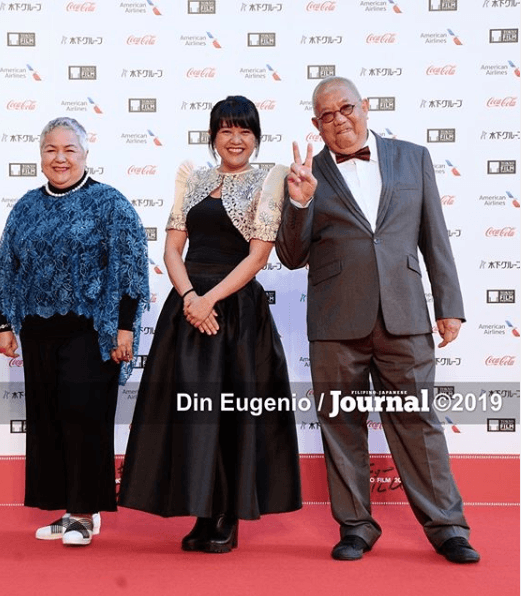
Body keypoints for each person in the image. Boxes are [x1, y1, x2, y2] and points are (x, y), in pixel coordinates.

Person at [276, 77, 480, 564]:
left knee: (418, 422)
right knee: (340, 424)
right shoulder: (305, 174)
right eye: (327, 115)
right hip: (335, 320)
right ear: (316, 124)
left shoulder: (413, 158)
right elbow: (291, 256)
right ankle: (356, 526)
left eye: (346, 108)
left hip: (404, 314)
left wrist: (449, 304)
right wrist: (300, 202)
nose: (339, 120)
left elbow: (434, 235)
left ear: (365, 106)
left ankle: (448, 527)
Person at [119, 96, 301, 553]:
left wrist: (210, 300)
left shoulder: (271, 178)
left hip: (233, 312)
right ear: (213, 136)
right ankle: (202, 510)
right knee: (193, 415)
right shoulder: (194, 178)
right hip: (188, 309)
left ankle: (226, 515)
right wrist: (188, 298)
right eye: (226, 130)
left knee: (231, 414)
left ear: (256, 138)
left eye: (244, 130)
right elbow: (171, 249)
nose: (235, 139)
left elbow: (258, 256)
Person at [0, 117, 149, 546]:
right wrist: (2, 324)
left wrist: (124, 328)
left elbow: (130, 269)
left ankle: (84, 513)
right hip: (38, 331)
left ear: (84, 154)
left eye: (69, 149)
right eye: (51, 150)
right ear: (41, 156)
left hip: (91, 331)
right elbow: (7, 269)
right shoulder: (26, 206)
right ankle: (68, 510)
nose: (60, 158)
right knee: (51, 421)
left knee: (84, 418)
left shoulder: (109, 203)